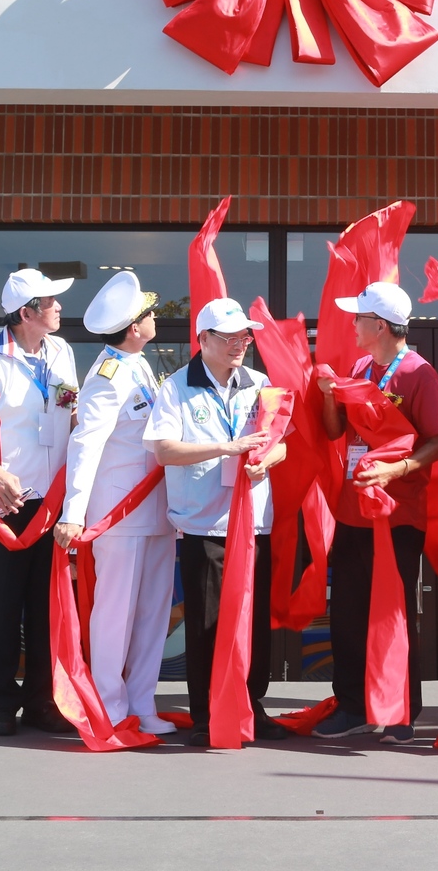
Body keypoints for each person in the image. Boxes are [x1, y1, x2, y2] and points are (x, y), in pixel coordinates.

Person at [144, 298, 290, 746]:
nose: (239, 345)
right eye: (228, 337)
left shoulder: (260, 383)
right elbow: (163, 450)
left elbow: (283, 442)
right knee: (206, 623)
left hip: (252, 524)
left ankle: (252, 705)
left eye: (244, 336)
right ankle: (207, 713)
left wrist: (266, 461)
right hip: (202, 524)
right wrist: (226, 448)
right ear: (203, 340)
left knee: (254, 620)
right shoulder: (176, 387)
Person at [312, 282, 438, 745]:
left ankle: (401, 709)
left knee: (393, 611)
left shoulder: (419, 374)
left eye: (359, 318)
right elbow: (336, 432)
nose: (352, 324)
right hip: (354, 508)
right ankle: (352, 705)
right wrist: (331, 394)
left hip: (399, 510)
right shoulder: (359, 367)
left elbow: (437, 441)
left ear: (381, 326)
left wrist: (398, 469)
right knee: (348, 611)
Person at [52, 271, 177, 738]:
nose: (153, 319)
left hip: (156, 511)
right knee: (114, 613)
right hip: (119, 514)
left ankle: (142, 703)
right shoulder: (107, 375)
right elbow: (86, 443)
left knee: (151, 613)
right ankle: (108, 703)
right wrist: (74, 512)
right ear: (131, 327)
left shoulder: (140, 364)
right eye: (147, 314)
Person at [0, 267, 79, 737]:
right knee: (2, 604)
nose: (60, 309)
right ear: (27, 313)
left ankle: (43, 702)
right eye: (52, 303)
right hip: (6, 502)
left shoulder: (62, 351)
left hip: (52, 501)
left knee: (47, 604)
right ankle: (0, 702)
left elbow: (69, 414)